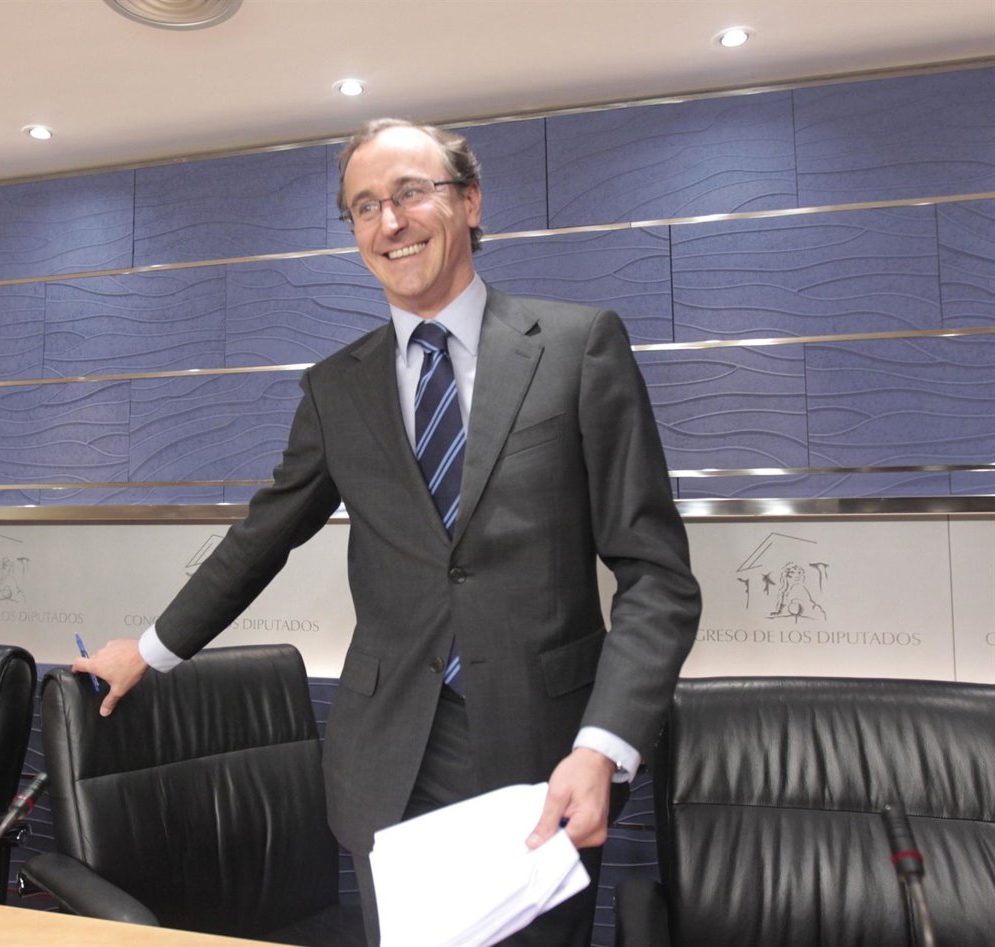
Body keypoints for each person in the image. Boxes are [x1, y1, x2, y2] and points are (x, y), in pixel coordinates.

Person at [76, 118, 701, 946]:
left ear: (470, 202)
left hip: (548, 761)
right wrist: (152, 649)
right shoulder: (336, 387)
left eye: (411, 192)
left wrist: (603, 745)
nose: (390, 221)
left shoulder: (579, 347)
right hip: (386, 763)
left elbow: (657, 576)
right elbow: (264, 534)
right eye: (365, 206)